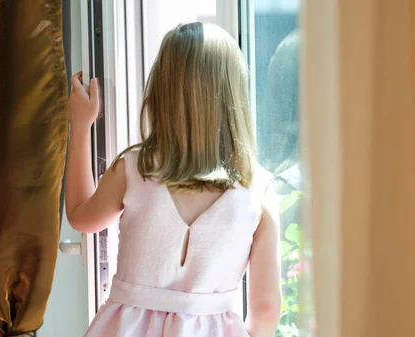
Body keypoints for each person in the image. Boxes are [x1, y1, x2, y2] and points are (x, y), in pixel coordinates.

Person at [65, 22, 282, 337]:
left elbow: (81, 216)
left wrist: (81, 123)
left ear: (160, 92)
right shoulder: (259, 189)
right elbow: (265, 310)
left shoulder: (135, 168)